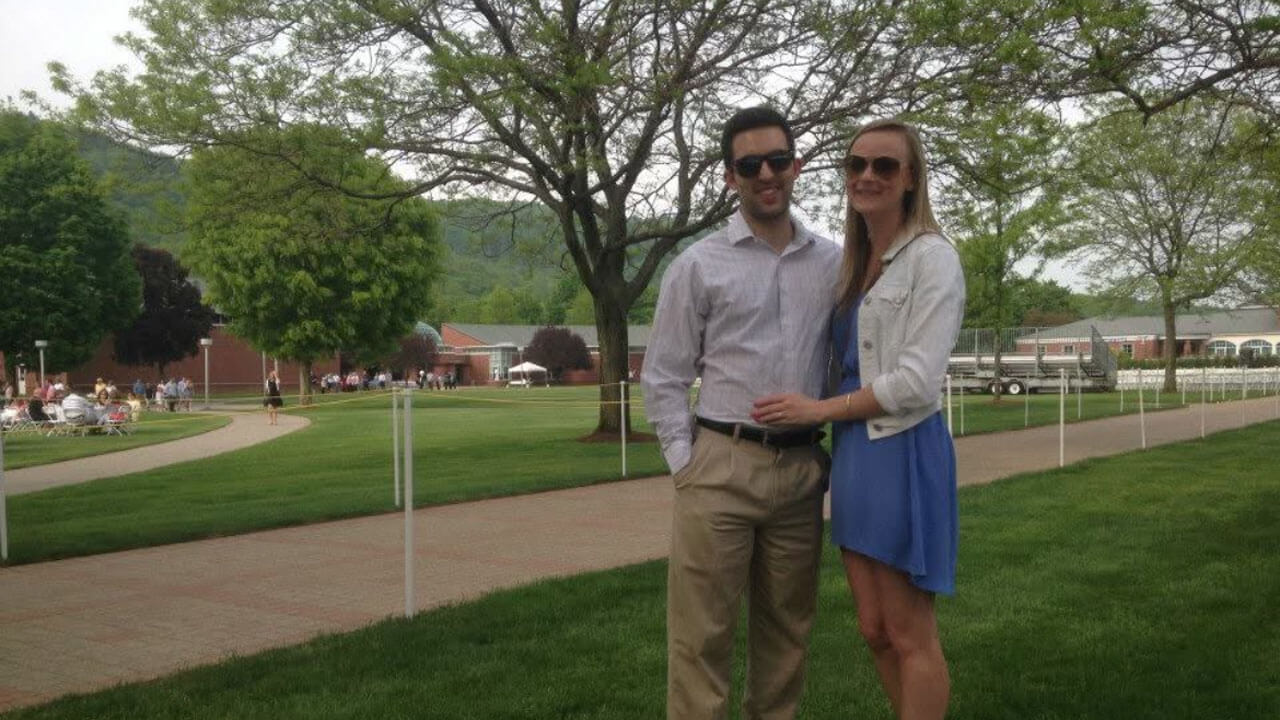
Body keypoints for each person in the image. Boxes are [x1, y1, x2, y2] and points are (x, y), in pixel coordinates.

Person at [751, 119, 965, 720]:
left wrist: (817, 410)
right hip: (854, 453)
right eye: (856, 165)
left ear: (910, 180)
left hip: (899, 448)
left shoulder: (933, 260)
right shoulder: (852, 263)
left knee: (910, 631)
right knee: (872, 628)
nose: (867, 176)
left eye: (885, 166)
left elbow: (917, 380)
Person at [642, 106, 841, 720]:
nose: (766, 174)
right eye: (749, 164)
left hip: (802, 471)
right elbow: (664, 375)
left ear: (796, 166)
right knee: (702, 641)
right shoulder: (698, 266)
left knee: (787, 640)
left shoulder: (835, 264)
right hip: (720, 468)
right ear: (730, 177)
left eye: (777, 160)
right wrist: (686, 462)